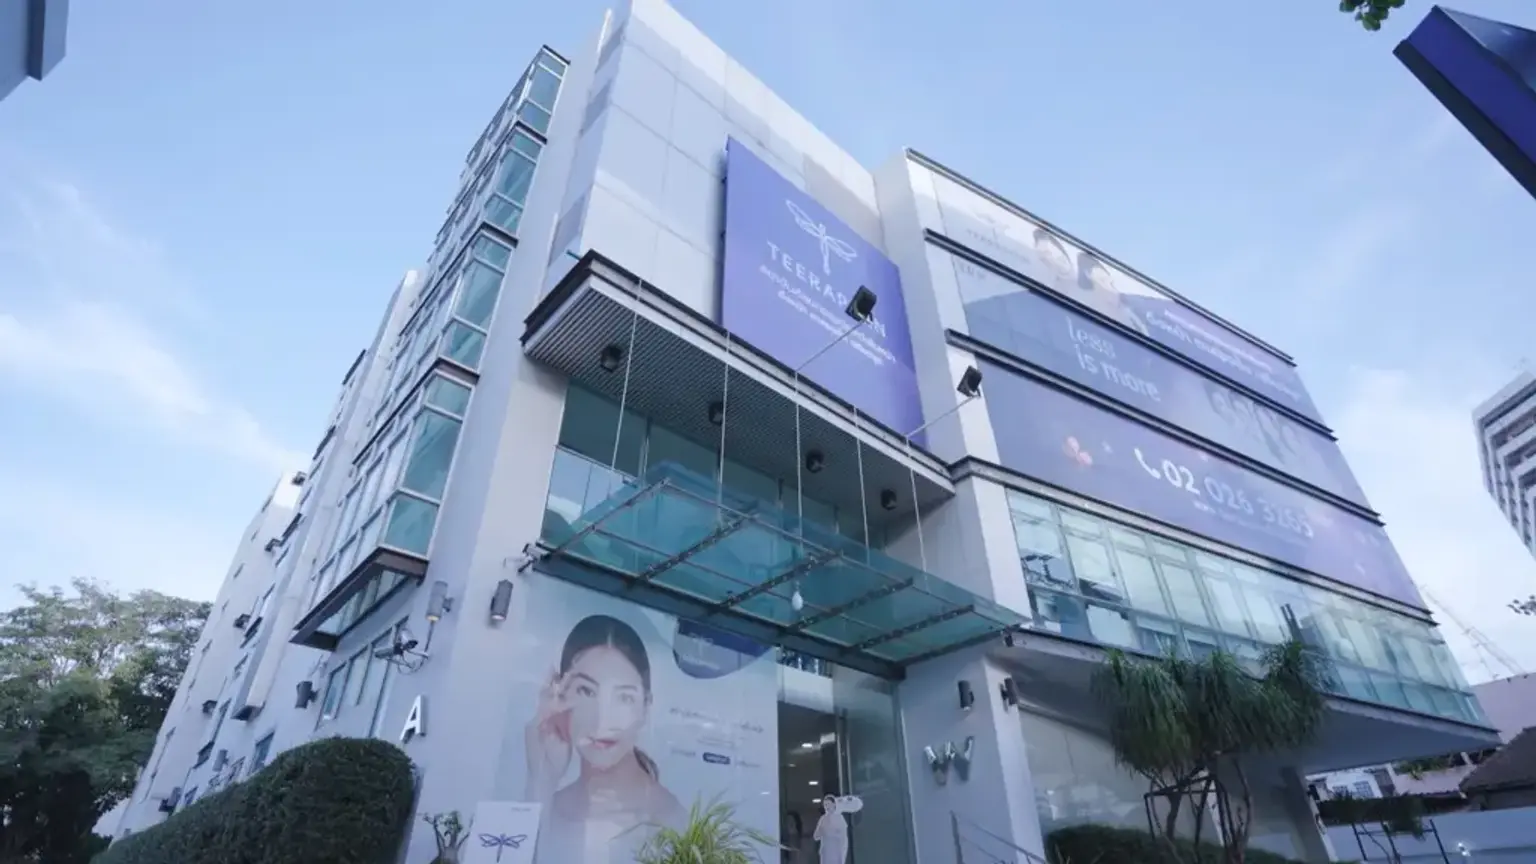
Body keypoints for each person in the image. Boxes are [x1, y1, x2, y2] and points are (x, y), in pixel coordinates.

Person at [524, 614, 685, 864]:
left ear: (645, 706)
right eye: (587, 692)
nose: (603, 718)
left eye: (624, 698)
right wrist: (542, 778)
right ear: (560, 695)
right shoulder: (549, 803)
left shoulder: (668, 819)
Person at [1072, 250, 1151, 337]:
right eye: (1092, 267)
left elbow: (1141, 328)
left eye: (1098, 266)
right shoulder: (1092, 299)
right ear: (1087, 274)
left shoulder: (1124, 299)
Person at [812, 795, 848, 864]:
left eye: (828, 804)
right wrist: (822, 832)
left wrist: (832, 833)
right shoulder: (823, 819)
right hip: (825, 851)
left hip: (836, 851)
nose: (827, 806)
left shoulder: (839, 818)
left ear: (834, 804)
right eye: (825, 805)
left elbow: (843, 837)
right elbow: (816, 836)